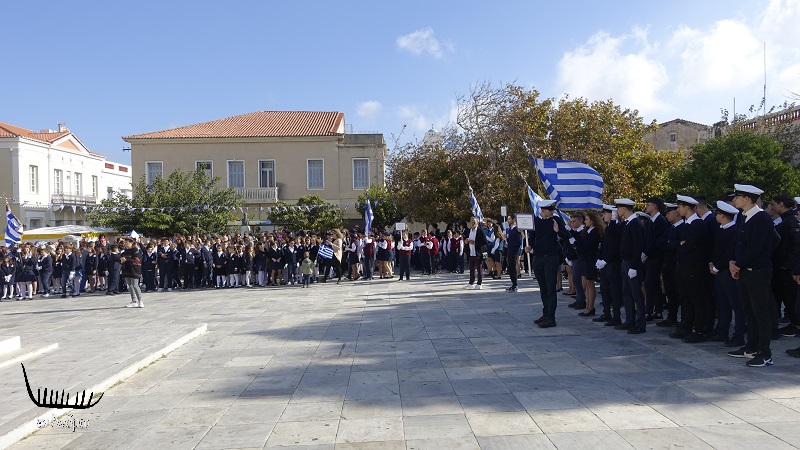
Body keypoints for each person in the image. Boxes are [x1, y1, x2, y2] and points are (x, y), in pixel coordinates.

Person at [728, 184, 779, 367]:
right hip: (744, 271)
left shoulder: (762, 218)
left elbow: (757, 247)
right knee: (749, 310)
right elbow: (738, 242)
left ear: (747, 199)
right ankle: (751, 347)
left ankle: (765, 353)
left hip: (757, 272)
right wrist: (732, 261)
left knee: (761, 313)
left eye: (737, 196)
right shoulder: (743, 216)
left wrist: (738, 264)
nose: (734, 200)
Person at [525, 201, 570, 327]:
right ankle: (545, 313)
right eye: (550, 210)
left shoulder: (555, 220)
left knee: (551, 288)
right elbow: (532, 237)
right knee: (543, 288)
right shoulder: (535, 221)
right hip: (538, 257)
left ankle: (551, 317)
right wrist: (528, 247)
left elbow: (566, 235)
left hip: (551, 257)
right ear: (543, 211)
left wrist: (557, 231)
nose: (552, 212)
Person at [708, 200, 745, 347]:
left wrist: (717, 267)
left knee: (736, 304)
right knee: (722, 303)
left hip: (727, 272)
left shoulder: (734, 231)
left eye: (717, 214)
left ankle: (739, 335)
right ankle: (722, 331)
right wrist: (712, 263)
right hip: (718, 271)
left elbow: (730, 253)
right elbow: (716, 250)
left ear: (723, 215)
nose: (715, 216)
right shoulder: (721, 228)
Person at [671, 195, 708, 343]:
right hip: (683, 266)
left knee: (696, 299)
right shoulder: (686, 224)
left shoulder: (697, 224)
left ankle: (697, 329)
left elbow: (688, 246)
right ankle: (686, 326)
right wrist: (679, 244)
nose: (678, 210)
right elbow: (672, 243)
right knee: (684, 297)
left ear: (687, 207)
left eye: (679, 207)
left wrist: (680, 245)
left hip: (694, 267)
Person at [769, 195, 800, 338]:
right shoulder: (784, 219)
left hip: (788, 268)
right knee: (784, 297)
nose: (772, 207)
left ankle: (796, 325)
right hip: (781, 266)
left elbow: (797, 245)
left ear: (781, 204)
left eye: (774, 204)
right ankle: (793, 323)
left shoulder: (791, 220)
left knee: (791, 299)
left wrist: (786, 265)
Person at [615, 198, 646, 334]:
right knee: (626, 293)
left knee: (636, 294)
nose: (617, 211)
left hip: (632, 263)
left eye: (618, 208)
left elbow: (638, 246)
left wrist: (634, 266)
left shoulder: (635, 223)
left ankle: (640, 323)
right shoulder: (627, 223)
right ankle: (629, 320)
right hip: (625, 262)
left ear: (624, 208)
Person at [642, 197, 669, 321]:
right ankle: (657, 310)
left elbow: (657, 241)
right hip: (650, 256)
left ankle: (649, 311)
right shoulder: (650, 221)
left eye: (648, 205)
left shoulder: (661, 221)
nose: (646, 207)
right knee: (653, 284)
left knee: (649, 283)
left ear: (654, 206)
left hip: (656, 257)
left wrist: (647, 252)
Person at [595, 205, 622, 325]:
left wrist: (606, 260)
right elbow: (604, 245)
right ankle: (606, 313)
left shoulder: (616, 227)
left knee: (615, 291)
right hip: (605, 264)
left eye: (606, 213)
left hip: (613, 263)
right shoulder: (608, 228)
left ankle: (616, 317)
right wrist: (599, 259)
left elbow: (615, 247)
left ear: (612, 214)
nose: (603, 216)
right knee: (604, 289)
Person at [574, 211, 604, 316]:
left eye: (586, 219)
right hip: (585, 259)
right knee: (585, 284)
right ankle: (587, 305)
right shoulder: (587, 231)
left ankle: (590, 307)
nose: (585, 221)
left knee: (590, 284)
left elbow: (586, 246)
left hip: (590, 260)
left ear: (592, 220)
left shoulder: (595, 232)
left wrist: (577, 243)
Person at [464, 216, 488, 290]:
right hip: (471, 252)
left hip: (477, 252)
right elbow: (467, 239)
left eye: (474, 222)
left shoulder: (480, 231)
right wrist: (466, 241)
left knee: (479, 268)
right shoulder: (469, 230)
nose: (472, 223)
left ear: (477, 222)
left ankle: (479, 283)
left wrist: (475, 243)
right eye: (471, 222)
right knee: (471, 269)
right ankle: (471, 282)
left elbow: (485, 241)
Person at [120, 238, 144, 308]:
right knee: (130, 285)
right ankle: (134, 301)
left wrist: (126, 260)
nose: (125, 244)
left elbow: (137, 260)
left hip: (135, 270)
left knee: (135, 285)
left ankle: (140, 301)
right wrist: (121, 260)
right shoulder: (125, 252)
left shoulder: (135, 250)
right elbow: (121, 258)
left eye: (127, 242)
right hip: (127, 270)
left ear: (131, 243)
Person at [505, 215, 523, 292]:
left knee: (512, 267)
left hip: (515, 250)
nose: (508, 220)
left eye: (509, 219)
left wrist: (510, 244)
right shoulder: (510, 229)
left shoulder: (517, 229)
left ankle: (515, 285)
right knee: (510, 267)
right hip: (510, 250)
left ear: (514, 219)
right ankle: (513, 284)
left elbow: (519, 241)